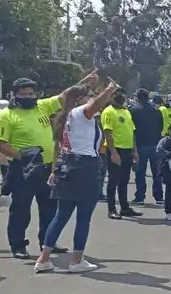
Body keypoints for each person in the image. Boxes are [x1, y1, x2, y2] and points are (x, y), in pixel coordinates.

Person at [0, 76, 87, 258]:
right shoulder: (5, 116)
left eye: (31, 93)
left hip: (46, 168)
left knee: (49, 207)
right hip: (23, 170)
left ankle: (47, 241)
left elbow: (64, 96)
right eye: (23, 94)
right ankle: (18, 245)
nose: (28, 97)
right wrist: (23, 156)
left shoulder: (42, 106)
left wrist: (86, 82)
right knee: (21, 209)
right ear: (14, 95)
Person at [35, 80, 119, 273]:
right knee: (83, 218)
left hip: (67, 165)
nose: (93, 99)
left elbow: (58, 147)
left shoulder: (63, 116)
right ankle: (77, 260)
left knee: (61, 215)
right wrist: (109, 89)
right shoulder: (81, 113)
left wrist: (54, 171)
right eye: (90, 95)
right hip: (85, 167)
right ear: (82, 100)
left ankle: (44, 258)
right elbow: (95, 105)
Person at [100, 89, 141, 220]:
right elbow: (108, 133)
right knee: (113, 180)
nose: (120, 97)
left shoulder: (126, 111)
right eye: (116, 94)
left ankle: (124, 207)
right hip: (115, 150)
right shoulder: (108, 112)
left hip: (127, 150)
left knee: (124, 180)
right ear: (111, 97)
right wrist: (113, 152)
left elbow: (132, 132)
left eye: (121, 94)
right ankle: (111, 209)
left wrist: (134, 150)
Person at [129, 89, 164, 205]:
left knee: (140, 173)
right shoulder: (157, 111)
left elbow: (131, 129)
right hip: (155, 144)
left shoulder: (133, 111)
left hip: (140, 145)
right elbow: (161, 127)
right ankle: (159, 196)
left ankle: (140, 197)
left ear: (137, 98)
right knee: (157, 172)